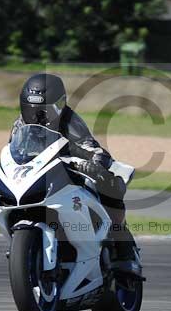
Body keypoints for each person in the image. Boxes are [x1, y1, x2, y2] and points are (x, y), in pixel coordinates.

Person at [11, 73, 142, 276]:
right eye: (31, 109)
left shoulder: (70, 120)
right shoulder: (20, 124)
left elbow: (91, 147)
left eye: (45, 110)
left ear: (60, 105)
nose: (37, 115)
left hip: (72, 166)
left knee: (109, 187)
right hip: (40, 172)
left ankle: (123, 250)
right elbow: (14, 150)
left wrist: (95, 164)